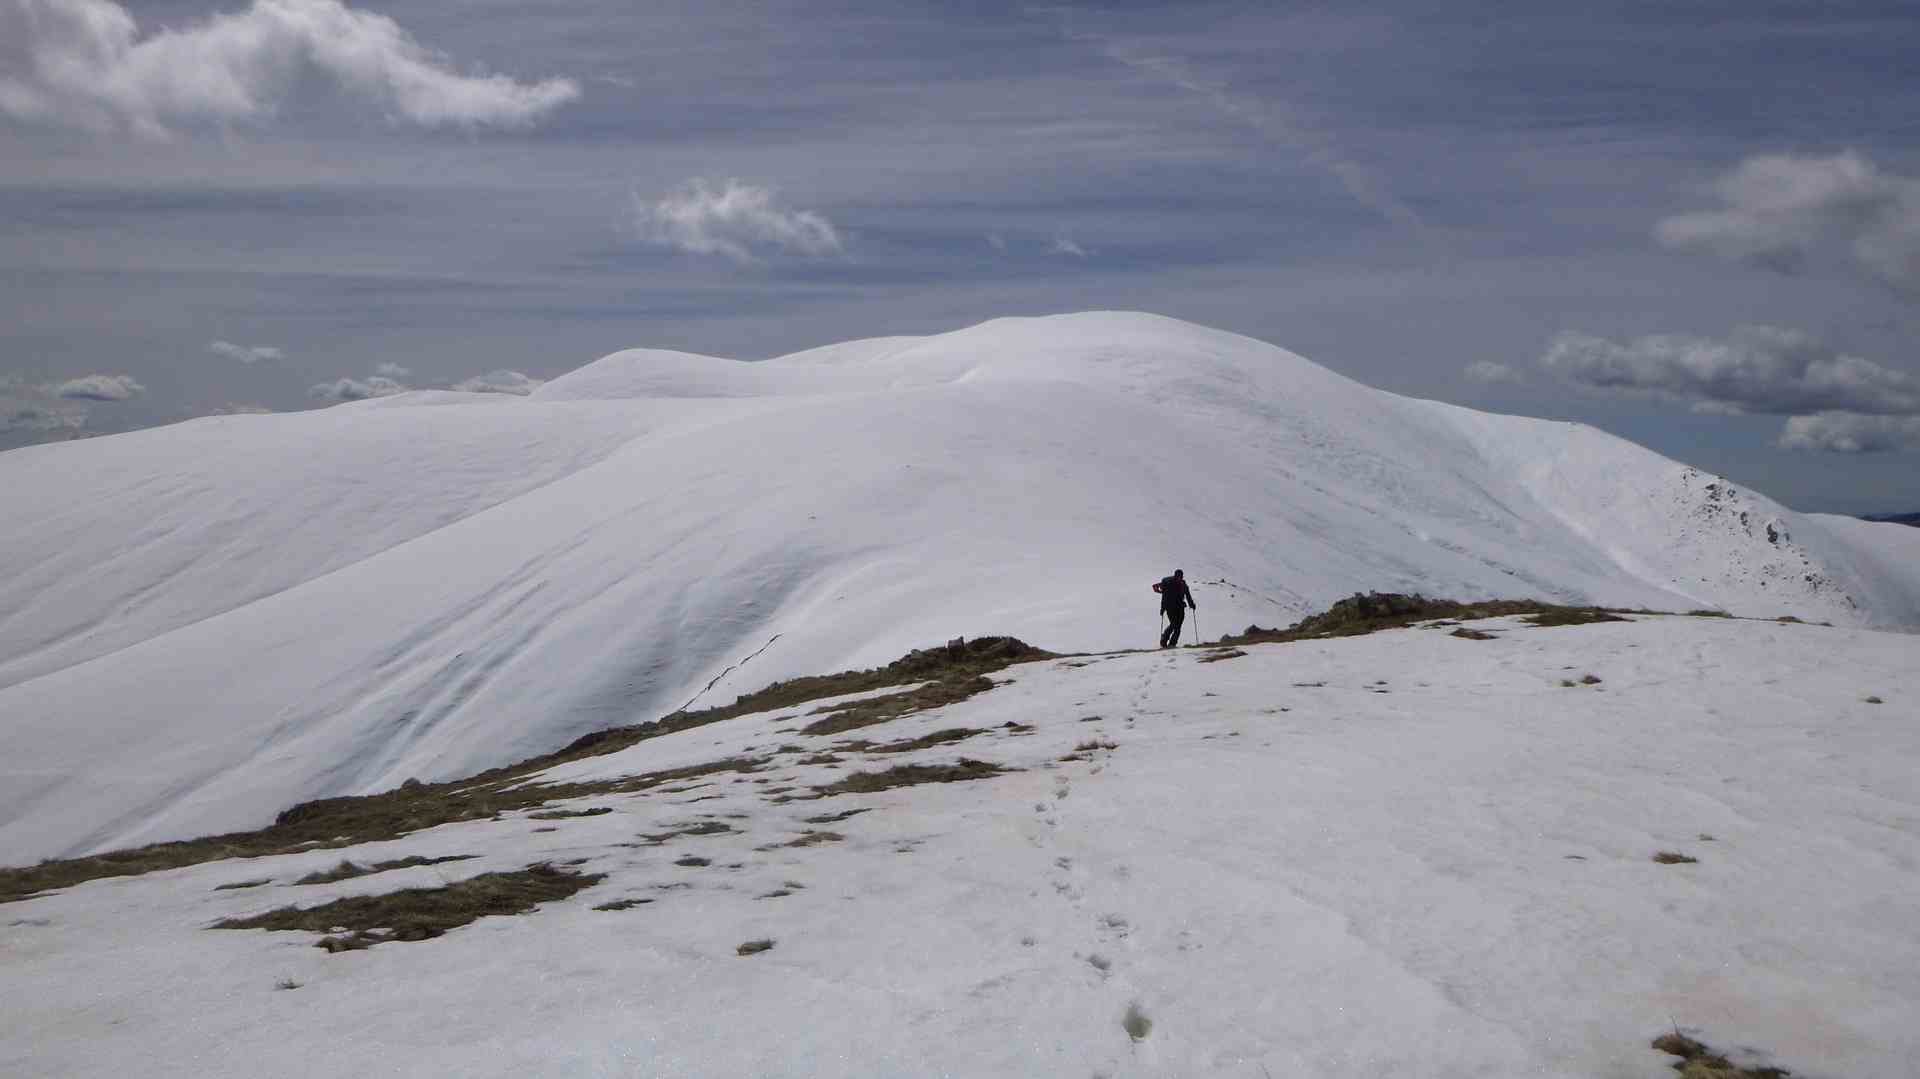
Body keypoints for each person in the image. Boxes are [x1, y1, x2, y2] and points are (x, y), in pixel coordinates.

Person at [1153, 569, 1196, 648]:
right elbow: (1164, 597)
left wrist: (1192, 604)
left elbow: (1187, 595)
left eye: (1181, 576)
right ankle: (1164, 639)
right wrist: (1162, 609)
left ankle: (1172, 644)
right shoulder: (1169, 583)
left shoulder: (1183, 584)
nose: (1180, 578)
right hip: (1170, 607)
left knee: (1178, 626)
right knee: (1174, 624)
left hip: (1180, 607)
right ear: (1175, 576)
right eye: (1178, 576)